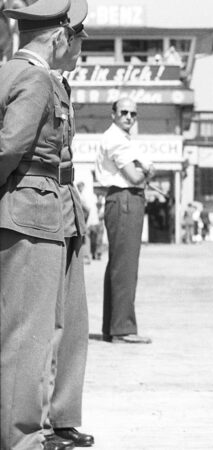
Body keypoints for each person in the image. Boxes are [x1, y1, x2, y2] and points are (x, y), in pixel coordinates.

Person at [0, 1, 74, 449]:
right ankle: (21, 441)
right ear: (57, 36)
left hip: (18, 212)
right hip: (32, 216)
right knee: (27, 336)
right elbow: (10, 148)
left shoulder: (6, 71)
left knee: (14, 330)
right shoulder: (37, 78)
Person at [46, 2, 95, 446]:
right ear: (60, 37)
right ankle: (41, 419)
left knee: (74, 322)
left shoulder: (60, 83)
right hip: (40, 211)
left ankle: (62, 415)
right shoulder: (32, 79)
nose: (81, 49)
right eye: (77, 39)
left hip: (66, 209)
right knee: (44, 322)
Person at [95, 98, 154, 344]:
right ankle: (122, 329)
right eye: (124, 112)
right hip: (125, 199)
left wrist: (143, 170)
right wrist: (148, 170)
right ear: (113, 115)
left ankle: (114, 326)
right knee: (126, 266)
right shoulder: (116, 139)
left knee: (119, 264)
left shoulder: (122, 139)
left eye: (133, 114)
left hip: (122, 200)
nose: (129, 117)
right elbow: (134, 176)